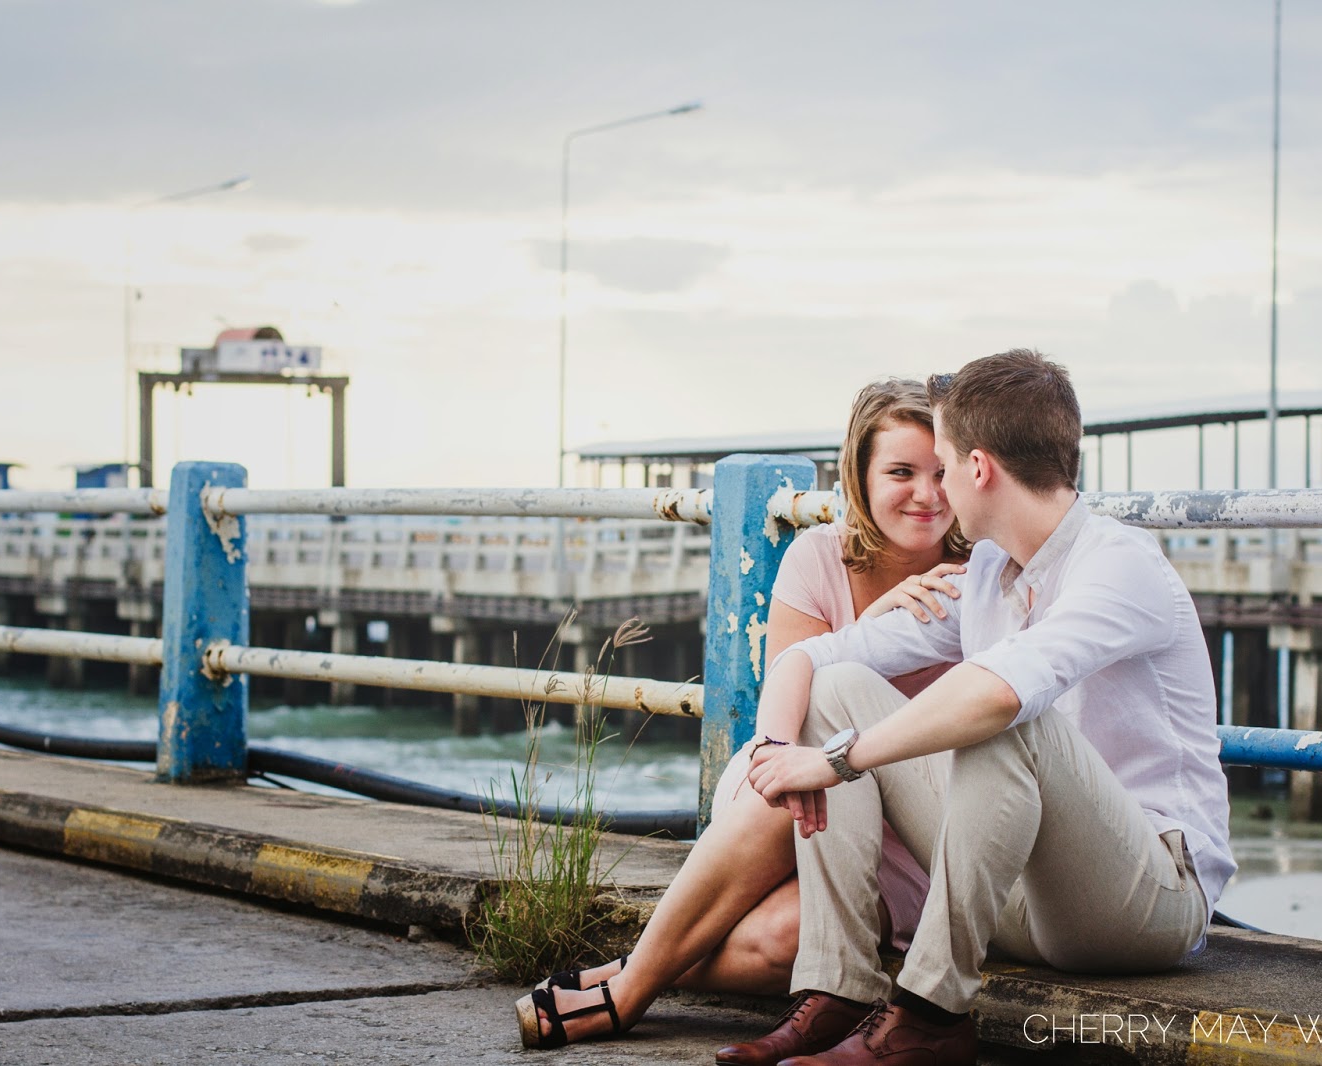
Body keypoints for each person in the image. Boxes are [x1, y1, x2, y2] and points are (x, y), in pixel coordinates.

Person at [723, 349, 1236, 1066]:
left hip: (1146, 900)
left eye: (943, 461)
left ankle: (929, 1015)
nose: (935, 486)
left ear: (979, 468)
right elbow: (814, 660)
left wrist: (837, 759)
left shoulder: (1118, 565)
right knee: (837, 691)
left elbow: (997, 694)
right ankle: (839, 991)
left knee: (1009, 713)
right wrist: (780, 752)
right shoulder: (990, 568)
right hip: (1018, 893)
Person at [514, 378, 971, 1052]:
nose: (926, 493)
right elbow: (795, 708)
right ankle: (630, 997)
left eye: (941, 472)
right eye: (901, 471)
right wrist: (876, 621)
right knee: (784, 774)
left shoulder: (979, 575)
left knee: (777, 940)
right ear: (861, 474)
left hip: (901, 828)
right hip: (791, 785)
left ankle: (631, 969)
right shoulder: (818, 557)